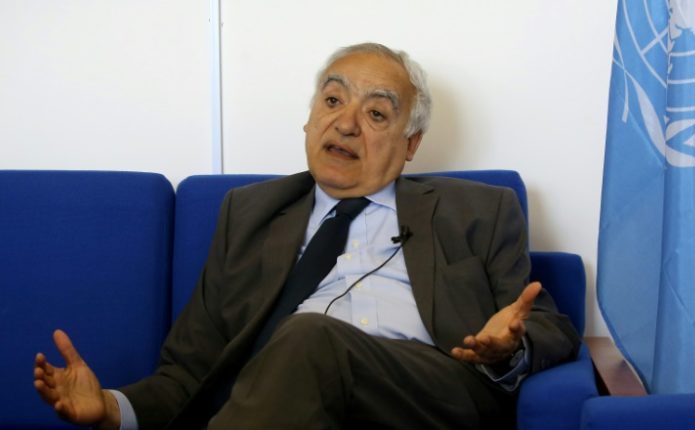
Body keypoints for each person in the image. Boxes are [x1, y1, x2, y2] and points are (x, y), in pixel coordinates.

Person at [34, 42, 580, 429]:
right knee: (303, 344)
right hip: (284, 406)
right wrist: (112, 409)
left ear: (412, 144)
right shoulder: (248, 214)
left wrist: (510, 347)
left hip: (430, 396)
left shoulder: (478, 210)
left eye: (376, 113)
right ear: (309, 117)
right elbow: (191, 371)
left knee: (309, 335)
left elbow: (551, 325)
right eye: (333, 100)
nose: (346, 124)